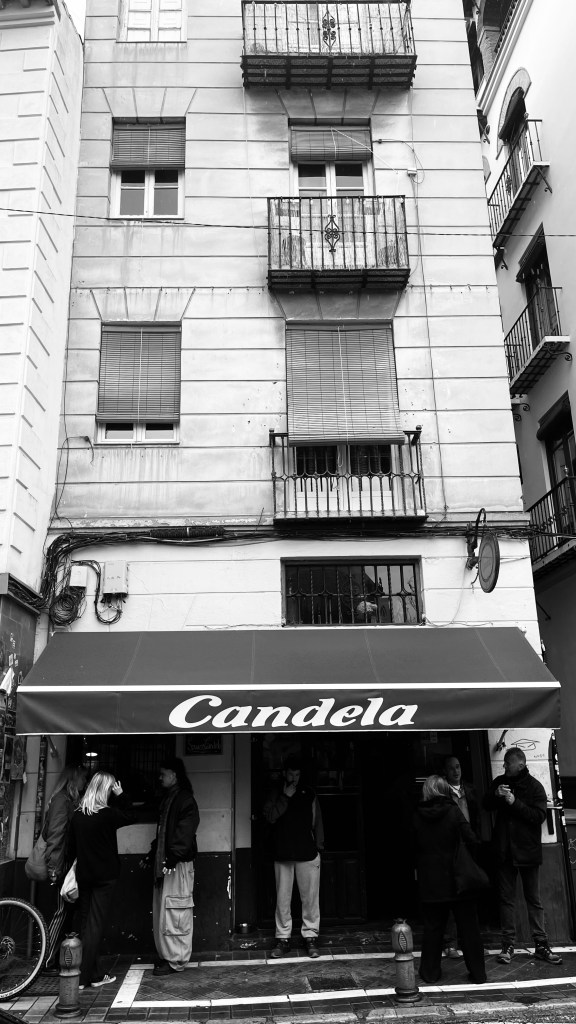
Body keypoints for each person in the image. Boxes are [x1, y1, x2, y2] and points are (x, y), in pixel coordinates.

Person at [484, 746, 562, 966]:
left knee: (533, 900)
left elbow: (538, 816)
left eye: (507, 764)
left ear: (520, 764)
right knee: (506, 900)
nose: (504, 766)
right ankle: (507, 945)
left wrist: (513, 803)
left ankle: (541, 944)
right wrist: (495, 795)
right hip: (505, 851)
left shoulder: (535, 787)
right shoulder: (500, 782)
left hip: (528, 851)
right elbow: (484, 804)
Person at [412, 774, 486, 985]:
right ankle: (478, 974)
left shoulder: (417, 815)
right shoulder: (453, 811)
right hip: (458, 879)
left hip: (431, 881)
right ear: (444, 791)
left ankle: (430, 973)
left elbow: (413, 846)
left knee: (433, 929)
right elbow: (471, 838)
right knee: (469, 928)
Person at [69, 771, 134, 989]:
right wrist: (122, 794)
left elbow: (71, 849)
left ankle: (94, 974)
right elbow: (131, 815)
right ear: (105, 790)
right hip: (105, 877)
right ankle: (83, 977)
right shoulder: (107, 814)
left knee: (87, 924)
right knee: (95, 926)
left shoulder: (78, 816)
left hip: (84, 876)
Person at [263, 757, 324, 959]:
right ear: (284, 773)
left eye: (297, 775)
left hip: (307, 853)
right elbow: (270, 816)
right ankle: (283, 938)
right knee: (282, 899)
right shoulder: (275, 792)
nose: (294, 779)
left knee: (310, 899)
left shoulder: (309, 793)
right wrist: (285, 797)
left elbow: (317, 822)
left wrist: (318, 848)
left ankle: (311, 937)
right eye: (290, 774)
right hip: (282, 853)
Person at [146, 757, 200, 976]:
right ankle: (168, 956)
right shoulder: (172, 799)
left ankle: (175, 959)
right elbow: (164, 834)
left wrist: (171, 858)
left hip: (176, 865)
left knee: (176, 911)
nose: (160, 778)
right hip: (168, 863)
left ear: (174, 775)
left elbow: (184, 833)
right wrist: (154, 855)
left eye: (163, 773)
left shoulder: (183, 800)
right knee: (166, 912)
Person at [42, 764, 88, 972]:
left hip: (66, 862)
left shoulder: (68, 799)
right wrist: (54, 867)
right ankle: (46, 958)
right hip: (61, 864)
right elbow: (55, 835)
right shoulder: (62, 800)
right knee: (61, 911)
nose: (85, 783)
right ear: (73, 780)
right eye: (82, 779)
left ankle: (57, 957)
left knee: (67, 910)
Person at [441, 755, 480, 960]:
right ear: (445, 772)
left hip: (469, 846)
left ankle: (469, 939)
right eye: (451, 768)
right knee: (451, 894)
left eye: (458, 767)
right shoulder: (442, 793)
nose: (456, 771)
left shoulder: (470, 791)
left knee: (468, 893)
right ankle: (450, 942)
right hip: (450, 847)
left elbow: (477, 816)